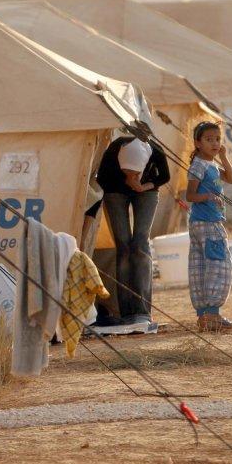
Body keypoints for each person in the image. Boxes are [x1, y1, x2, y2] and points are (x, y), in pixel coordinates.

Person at [96, 135, 170, 328]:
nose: (132, 176)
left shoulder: (155, 151)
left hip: (147, 191)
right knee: (123, 245)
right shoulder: (113, 154)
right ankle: (125, 310)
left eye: (136, 173)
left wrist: (144, 185)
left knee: (140, 243)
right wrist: (125, 181)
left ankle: (142, 310)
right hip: (115, 191)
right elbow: (101, 179)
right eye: (127, 172)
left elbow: (165, 176)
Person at [185, 122, 232, 332]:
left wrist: (223, 156)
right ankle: (212, 314)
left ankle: (204, 316)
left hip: (200, 223)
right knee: (218, 266)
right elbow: (190, 195)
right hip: (208, 223)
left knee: (200, 267)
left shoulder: (211, 164)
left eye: (217, 139)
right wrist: (208, 196)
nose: (214, 143)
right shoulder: (199, 165)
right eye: (208, 140)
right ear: (198, 143)